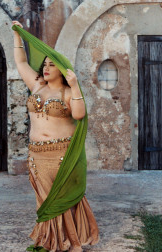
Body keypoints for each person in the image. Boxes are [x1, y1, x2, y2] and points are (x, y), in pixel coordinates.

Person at [12, 21, 99, 252]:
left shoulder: (69, 92)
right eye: (45, 65)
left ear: (62, 68)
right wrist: (17, 36)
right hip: (38, 154)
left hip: (62, 153)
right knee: (45, 200)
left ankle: (75, 243)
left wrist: (75, 85)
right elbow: (20, 62)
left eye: (52, 64)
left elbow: (80, 115)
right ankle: (54, 241)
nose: (46, 68)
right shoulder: (37, 86)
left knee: (61, 198)